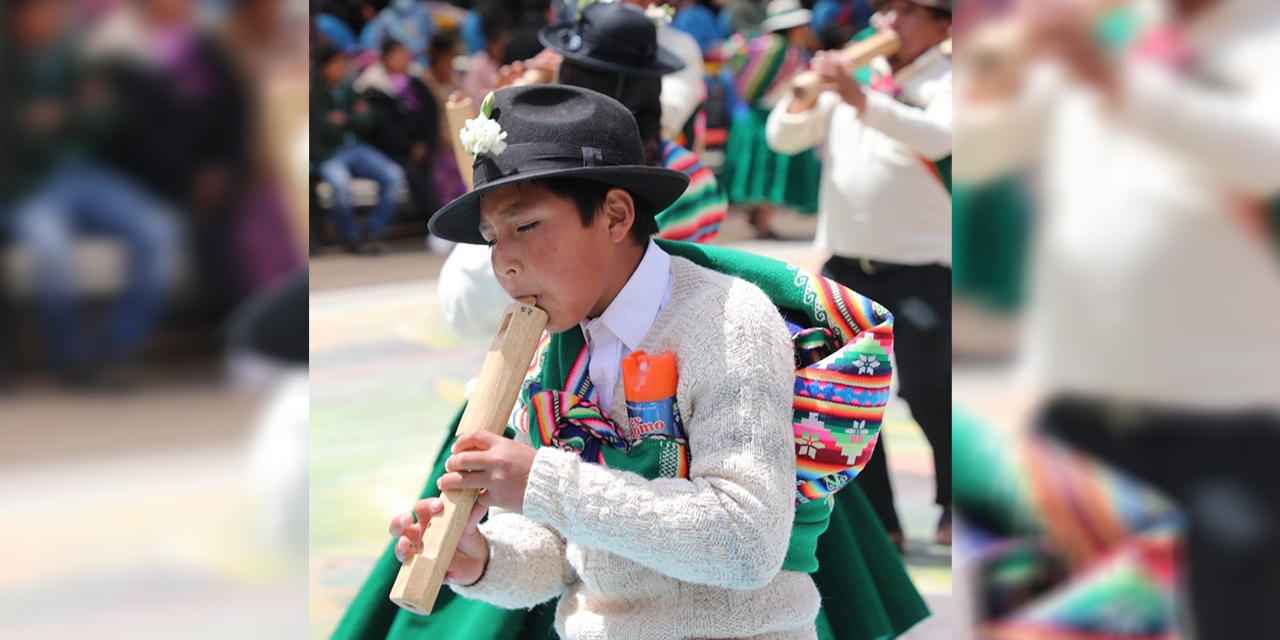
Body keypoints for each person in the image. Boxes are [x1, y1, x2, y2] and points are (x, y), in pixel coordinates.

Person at [367, 84, 927, 640]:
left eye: (526, 225)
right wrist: (483, 559)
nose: (505, 262)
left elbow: (745, 541)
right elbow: (563, 556)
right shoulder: (554, 353)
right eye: (492, 239)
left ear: (614, 215)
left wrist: (540, 479)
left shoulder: (726, 321)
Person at [954, 0, 1280, 636]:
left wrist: (1114, 79)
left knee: (1234, 613)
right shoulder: (1111, 35)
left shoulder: (1262, 41)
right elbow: (984, 156)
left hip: (1223, 410)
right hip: (1079, 405)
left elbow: (1263, 158)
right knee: (1053, 617)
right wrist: (995, 84)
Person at [766, 0, 953, 548]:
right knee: (842, 396)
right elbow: (784, 136)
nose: (888, 23)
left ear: (943, 24)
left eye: (907, 12)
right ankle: (881, 524)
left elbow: (940, 137)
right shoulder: (859, 73)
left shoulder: (950, 80)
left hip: (922, 267)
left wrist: (858, 98)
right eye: (886, 10)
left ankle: (951, 505)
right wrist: (813, 92)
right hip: (845, 266)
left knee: (930, 392)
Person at [721, 0, 822, 239]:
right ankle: (763, 222)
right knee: (768, 172)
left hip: (751, 117)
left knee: (757, 170)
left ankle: (759, 219)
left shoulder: (756, 46)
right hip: (771, 117)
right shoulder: (788, 52)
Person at [311, 44, 406, 254]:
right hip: (330, 153)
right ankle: (350, 237)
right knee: (341, 184)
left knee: (394, 175)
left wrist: (345, 120)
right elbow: (320, 127)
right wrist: (346, 120)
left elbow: (367, 118)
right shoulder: (312, 90)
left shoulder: (348, 87)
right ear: (322, 67)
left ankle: (372, 232)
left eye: (341, 63)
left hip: (357, 147)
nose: (340, 68)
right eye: (334, 64)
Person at [356, 39, 443, 226]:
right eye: (397, 54)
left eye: (405, 54)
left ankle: (440, 222)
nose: (403, 58)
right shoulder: (373, 87)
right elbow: (383, 127)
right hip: (391, 151)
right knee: (409, 174)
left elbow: (431, 115)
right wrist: (409, 147)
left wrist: (426, 144)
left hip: (422, 148)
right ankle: (431, 224)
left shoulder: (417, 83)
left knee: (440, 169)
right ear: (386, 58)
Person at [358, 0, 434, 65]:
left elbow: (432, 40)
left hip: (422, 64)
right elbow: (372, 50)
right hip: (393, 69)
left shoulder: (423, 13)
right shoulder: (384, 19)